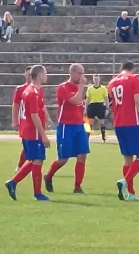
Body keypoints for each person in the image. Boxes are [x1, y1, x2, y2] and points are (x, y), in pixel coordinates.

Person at [5, 65, 52, 201]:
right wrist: (44, 136)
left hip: (27, 131)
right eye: (45, 73)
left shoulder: (31, 90)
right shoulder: (33, 93)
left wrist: (47, 118)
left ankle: (21, 186)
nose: (46, 76)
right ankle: (19, 185)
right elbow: (34, 115)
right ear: (39, 75)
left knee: (35, 160)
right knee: (37, 160)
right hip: (33, 132)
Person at [43, 64, 88, 194]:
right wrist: (81, 87)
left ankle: (77, 186)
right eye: (80, 73)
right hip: (66, 127)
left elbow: (79, 103)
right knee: (63, 158)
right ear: (72, 72)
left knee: (82, 156)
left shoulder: (78, 88)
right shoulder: (63, 87)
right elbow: (74, 101)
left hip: (79, 125)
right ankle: (48, 175)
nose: (82, 77)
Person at [107, 61, 139, 201]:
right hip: (132, 122)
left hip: (119, 123)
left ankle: (130, 193)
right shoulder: (133, 79)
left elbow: (110, 103)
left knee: (127, 159)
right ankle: (125, 181)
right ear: (132, 69)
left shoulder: (112, 82)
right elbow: (137, 100)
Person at [12, 66, 32, 172]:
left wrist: (46, 117)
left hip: (35, 121)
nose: (29, 76)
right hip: (25, 122)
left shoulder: (37, 88)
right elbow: (15, 105)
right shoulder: (20, 89)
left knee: (30, 145)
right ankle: (21, 166)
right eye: (28, 74)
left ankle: (24, 166)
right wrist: (15, 120)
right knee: (27, 145)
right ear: (24, 75)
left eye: (31, 74)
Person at [85, 74, 109, 142]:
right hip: (92, 105)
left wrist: (107, 108)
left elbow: (106, 99)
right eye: (95, 79)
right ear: (93, 79)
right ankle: (87, 138)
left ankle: (103, 138)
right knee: (90, 123)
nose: (96, 80)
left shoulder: (103, 88)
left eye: (97, 78)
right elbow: (88, 99)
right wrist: (85, 108)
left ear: (99, 79)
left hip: (100, 105)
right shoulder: (90, 88)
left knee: (102, 122)